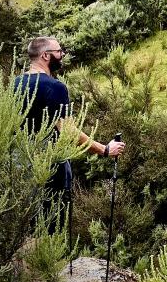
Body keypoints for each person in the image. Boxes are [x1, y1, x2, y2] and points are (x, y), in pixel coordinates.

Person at [15, 35, 127, 228]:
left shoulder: (14, 83)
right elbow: (68, 132)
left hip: (20, 164)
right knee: (52, 225)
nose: (62, 55)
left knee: (25, 224)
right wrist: (105, 150)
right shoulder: (55, 87)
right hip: (51, 166)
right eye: (59, 52)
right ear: (45, 56)